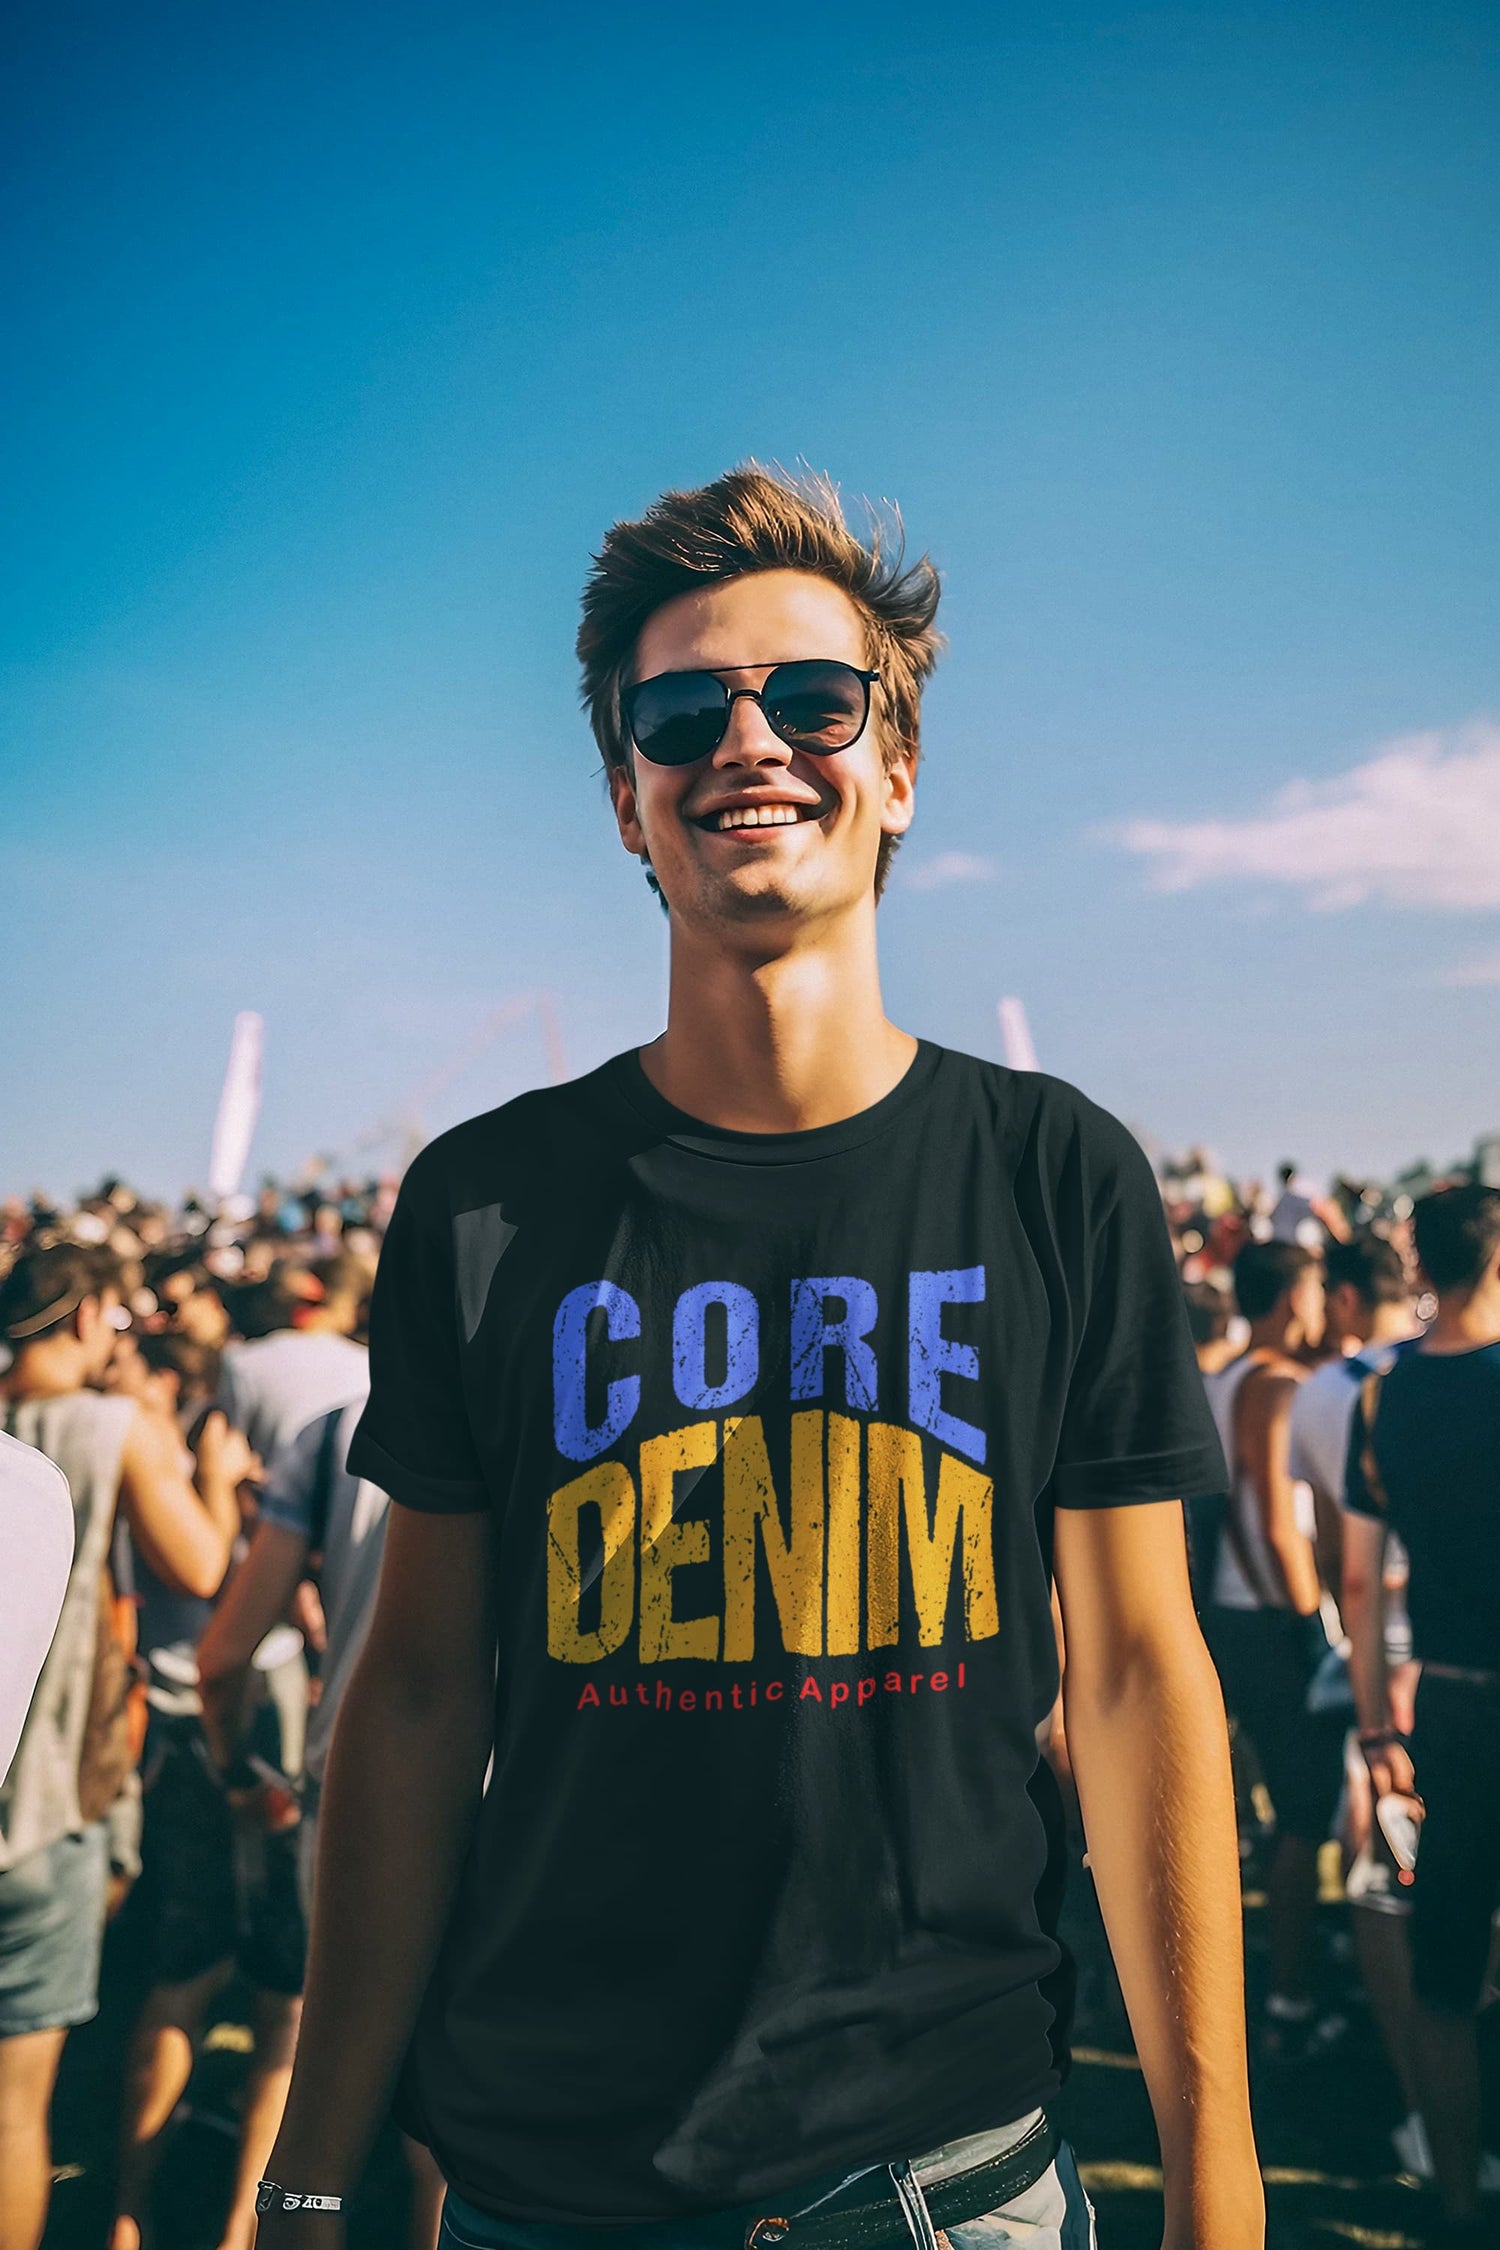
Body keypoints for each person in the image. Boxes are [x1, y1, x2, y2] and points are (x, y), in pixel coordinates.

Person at [258, 467, 1260, 2250]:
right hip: (538, 2179)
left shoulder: (1055, 1175)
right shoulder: (483, 1205)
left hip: (944, 2175)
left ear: (898, 767)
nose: (749, 741)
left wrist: (1220, 2177)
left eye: (813, 697)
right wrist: (318, 2171)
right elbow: (411, 1699)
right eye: (679, 712)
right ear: (625, 804)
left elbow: (1134, 1676)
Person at [0, 1245, 241, 2250]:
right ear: (90, 1314)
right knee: (15, 2102)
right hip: (44, 1803)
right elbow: (201, 1562)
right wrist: (221, 1479)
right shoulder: (112, 1427)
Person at [193, 1404, 445, 2250]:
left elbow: (223, 1656)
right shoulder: (563, 1399)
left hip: (353, 1795)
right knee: (446, 2143)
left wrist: (237, 1771)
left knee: (312, 2056)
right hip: (509, 1793)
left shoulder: (335, 1432)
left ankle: (241, 2229)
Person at [1343, 1183, 1500, 2234]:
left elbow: (1358, 1584)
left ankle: (1456, 2197)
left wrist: (1375, 1724)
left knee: (1447, 1970)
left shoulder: (1380, 1396)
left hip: (1442, 1702)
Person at [1201, 1239, 1347, 2060]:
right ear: (1293, 1296)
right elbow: (1268, 1512)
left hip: (1234, 1613)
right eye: (1316, 1288)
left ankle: (1288, 1970)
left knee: (1290, 1802)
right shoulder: (1273, 1383)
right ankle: (1290, 1995)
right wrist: (1304, 1619)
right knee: (1304, 1808)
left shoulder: (1222, 1371)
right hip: (1266, 1617)